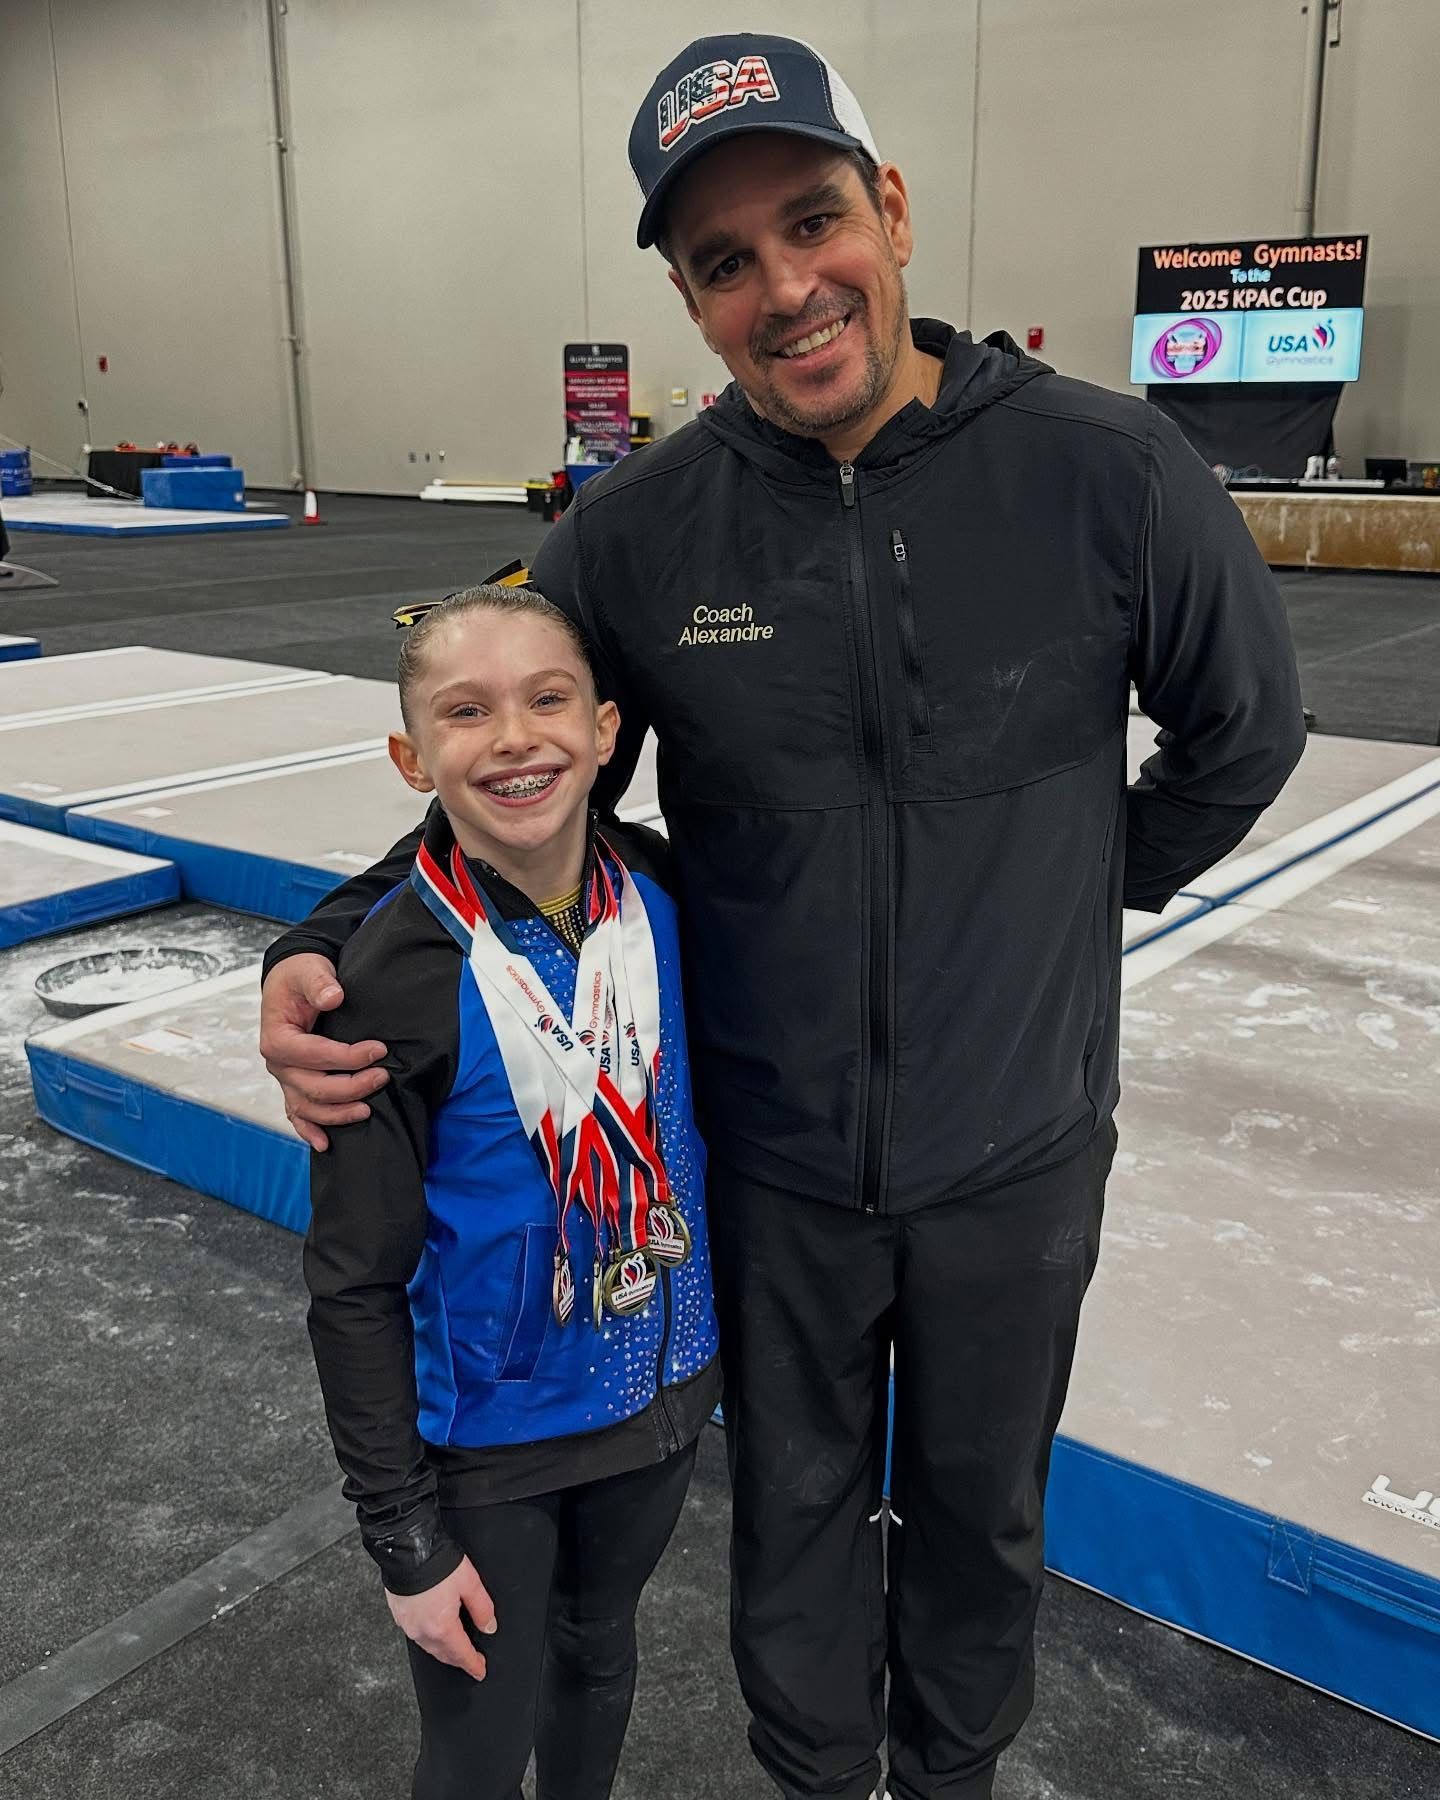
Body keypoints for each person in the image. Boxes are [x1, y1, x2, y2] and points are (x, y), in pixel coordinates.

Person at [262, 33, 1306, 1800]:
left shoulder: (1110, 472)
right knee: (797, 1514)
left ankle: (949, 1777)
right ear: (691, 297)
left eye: (812, 222)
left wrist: (1066, 892)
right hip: (766, 1155)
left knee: (984, 1513)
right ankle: (818, 1780)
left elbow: (1244, 732)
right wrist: (324, 930)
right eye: (724, 263)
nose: (784, 288)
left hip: (1019, 1148)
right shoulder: (641, 530)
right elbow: (514, 761)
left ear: (892, 212)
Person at [300, 583, 720, 1800]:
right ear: (410, 757)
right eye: (465, 712)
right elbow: (351, 1284)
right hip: (488, 1448)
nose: (515, 738)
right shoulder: (392, 973)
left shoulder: (670, 897)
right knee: (481, 1740)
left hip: (657, 1393)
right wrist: (405, 1537)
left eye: (548, 701)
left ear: (604, 729)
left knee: (600, 1667)